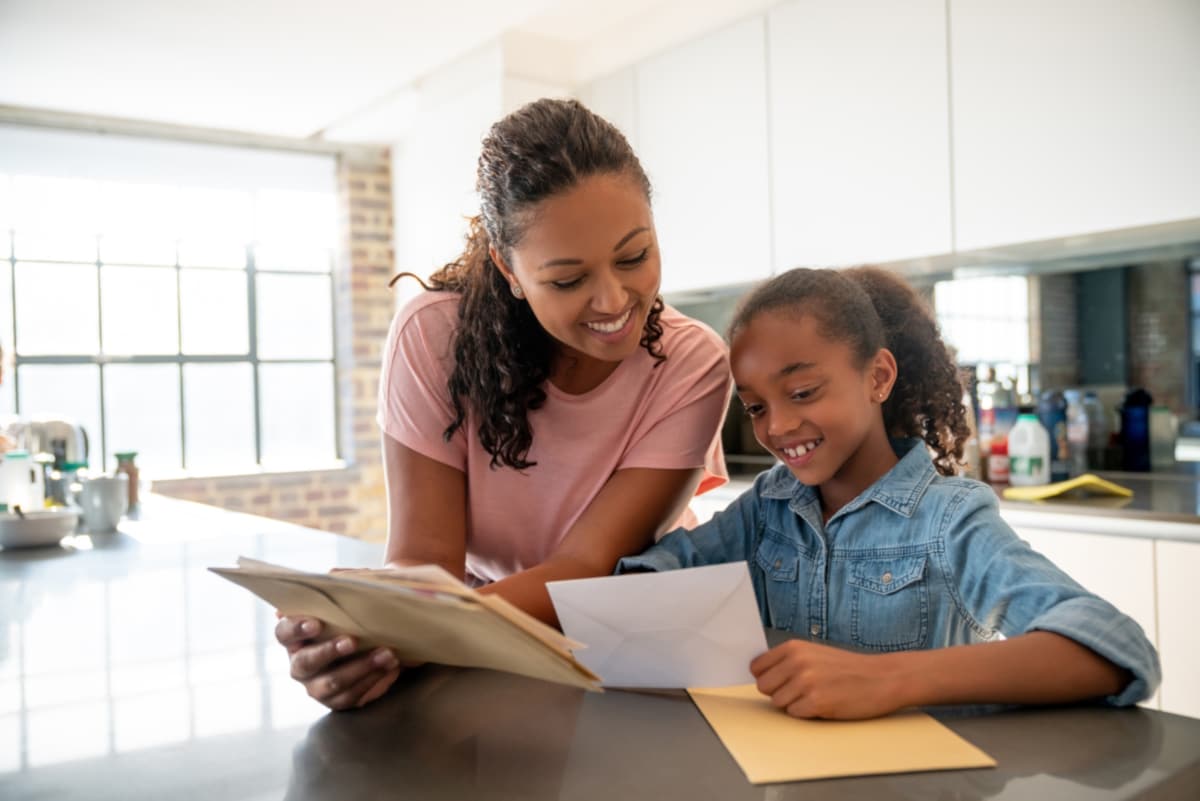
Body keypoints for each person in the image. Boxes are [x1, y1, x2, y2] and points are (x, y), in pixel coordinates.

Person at [276, 98, 732, 710]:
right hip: (477, 635)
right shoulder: (432, 337)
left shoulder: (692, 362)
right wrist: (360, 640)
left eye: (634, 257)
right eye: (567, 279)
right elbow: (422, 559)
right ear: (508, 268)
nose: (614, 300)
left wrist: (406, 630)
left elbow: (589, 565)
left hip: (632, 641)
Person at [617, 266, 1160, 720]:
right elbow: (641, 584)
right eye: (756, 407)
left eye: (803, 392)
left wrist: (886, 678)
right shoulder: (768, 507)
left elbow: (1114, 648)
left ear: (877, 377)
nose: (777, 427)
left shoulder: (949, 520)